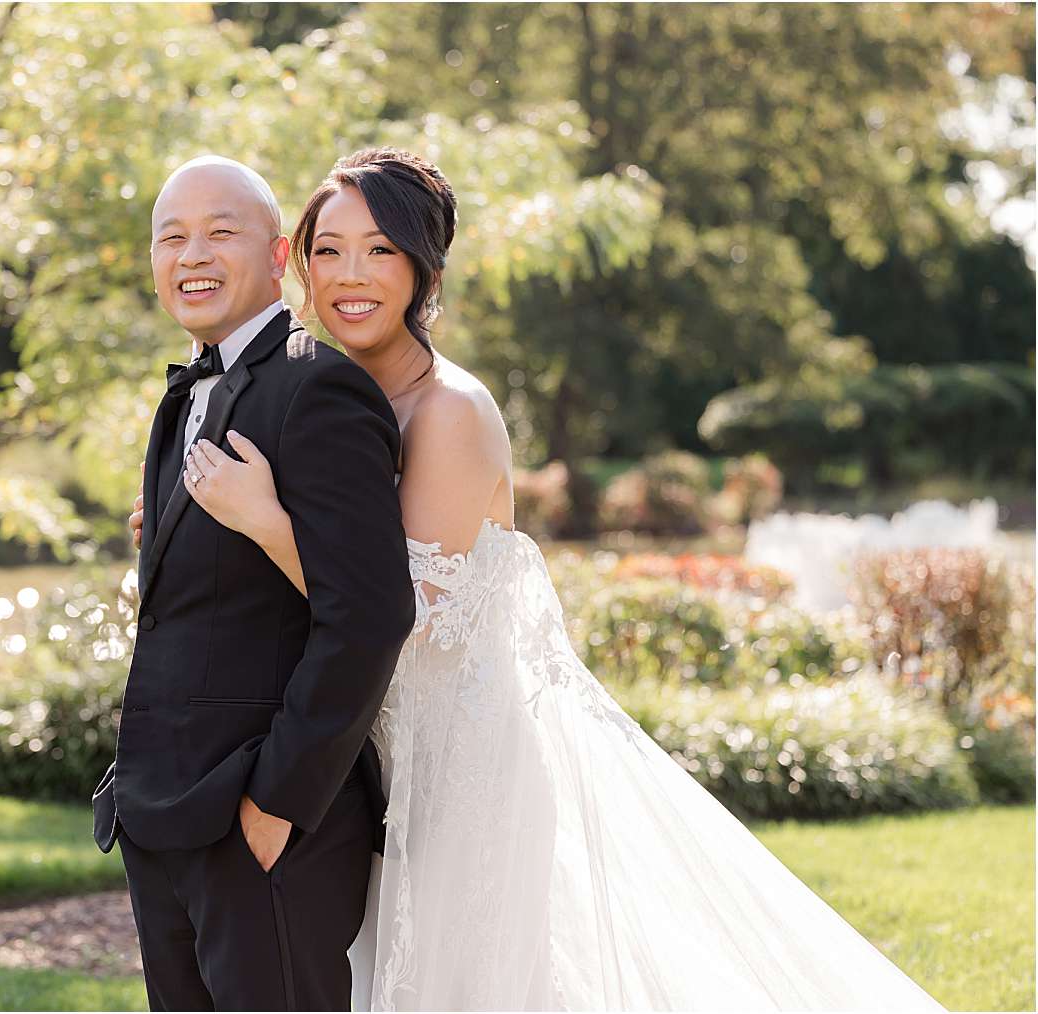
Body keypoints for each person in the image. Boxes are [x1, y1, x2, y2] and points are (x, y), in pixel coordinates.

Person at [130, 147, 947, 1011]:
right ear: (299, 261)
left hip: (455, 761)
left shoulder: (449, 412)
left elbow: (395, 613)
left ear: (424, 268)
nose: (349, 275)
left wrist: (264, 524)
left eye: (379, 251)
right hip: (357, 757)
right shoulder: (307, 394)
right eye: (329, 250)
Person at [92, 154, 416, 1011]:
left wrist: (276, 807)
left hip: (261, 825)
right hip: (160, 814)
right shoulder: (185, 395)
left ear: (278, 258)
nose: (191, 254)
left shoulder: (322, 389)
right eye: (172, 238)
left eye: (220, 233)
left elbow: (372, 615)